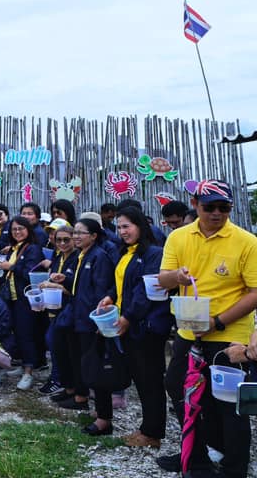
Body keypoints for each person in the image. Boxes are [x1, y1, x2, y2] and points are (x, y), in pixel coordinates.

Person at [157, 180, 257, 478]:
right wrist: (177, 276)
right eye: (209, 207)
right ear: (194, 204)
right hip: (190, 331)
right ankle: (195, 455)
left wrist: (218, 321)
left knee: (231, 406)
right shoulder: (178, 237)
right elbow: (163, 279)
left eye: (223, 208)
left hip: (230, 334)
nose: (216, 213)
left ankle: (233, 468)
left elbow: (254, 291)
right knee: (179, 389)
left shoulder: (246, 241)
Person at [94, 208, 170, 445]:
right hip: (129, 324)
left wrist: (127, 317)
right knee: (140, 378)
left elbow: (143, 293)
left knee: (150, 380)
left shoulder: (153, 254)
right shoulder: (124, 252)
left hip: (145, 327)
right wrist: (109, 297)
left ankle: (152, 433)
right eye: (119, 227)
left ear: (140, 226)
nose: (122, 231)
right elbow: (120, 285)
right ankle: (147, 428)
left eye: (127, 226)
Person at [46, 220, 114, 416]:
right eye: (74, 232)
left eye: (80, 233)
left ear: (93, 236)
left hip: (88, 318)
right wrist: (65, 279)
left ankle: (94, 407)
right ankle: (76, 393)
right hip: (76, 315)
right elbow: (81, 286)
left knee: (90, 362)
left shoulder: (99, 257)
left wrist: (96, 318)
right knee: (72, 355)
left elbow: (100, 290)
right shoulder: (83, 255)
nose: (76, 237)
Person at [0, 216, 44, 390]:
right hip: (13, 297)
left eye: (21, 229)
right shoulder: (15, 248)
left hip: (26, 298)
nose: (17, 232)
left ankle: (28, 372)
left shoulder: (32, 249)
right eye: (14, 229)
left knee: (26, 334)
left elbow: (30, 273)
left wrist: (10, 267)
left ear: (28, 230)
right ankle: (24, 364)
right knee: (17, 332)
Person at [38, 222, 79, 398]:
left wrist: (56, 286)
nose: (62, 243)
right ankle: (64, 381)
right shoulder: (58, 257)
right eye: (58, 240)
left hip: (70, 308)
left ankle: (60, 380)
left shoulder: (77, 258)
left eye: (66, 240)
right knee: (55, 344)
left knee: (57, 343)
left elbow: (78, 287)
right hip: (55, 307)